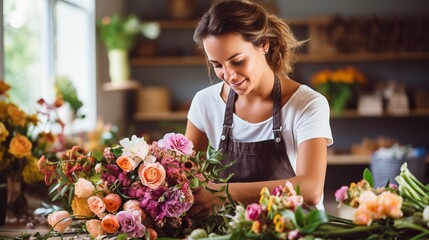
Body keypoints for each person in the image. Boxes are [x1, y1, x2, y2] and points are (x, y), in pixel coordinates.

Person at [185, 0, 333, 216]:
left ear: (264, 44)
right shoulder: (205, 102)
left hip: (295, 229)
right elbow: (186, 172)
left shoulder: (307, 104)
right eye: (217, 65)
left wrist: (223, 193)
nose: (229, 76)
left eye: (237, 61)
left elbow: (311, 190)